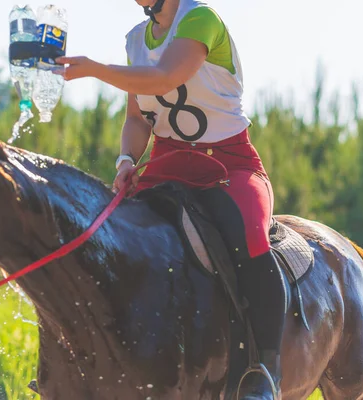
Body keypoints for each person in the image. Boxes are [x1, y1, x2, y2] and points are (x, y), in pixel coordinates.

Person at [56, 1, 286, 398]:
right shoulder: (135, 40)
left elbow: (164, 79)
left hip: (228, 165)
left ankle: (264, 371)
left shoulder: (201, 18)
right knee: (113, 240)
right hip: (166, 164)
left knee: (248, 235)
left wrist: (94, 69)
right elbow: (138, 118)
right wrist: (127, 159)